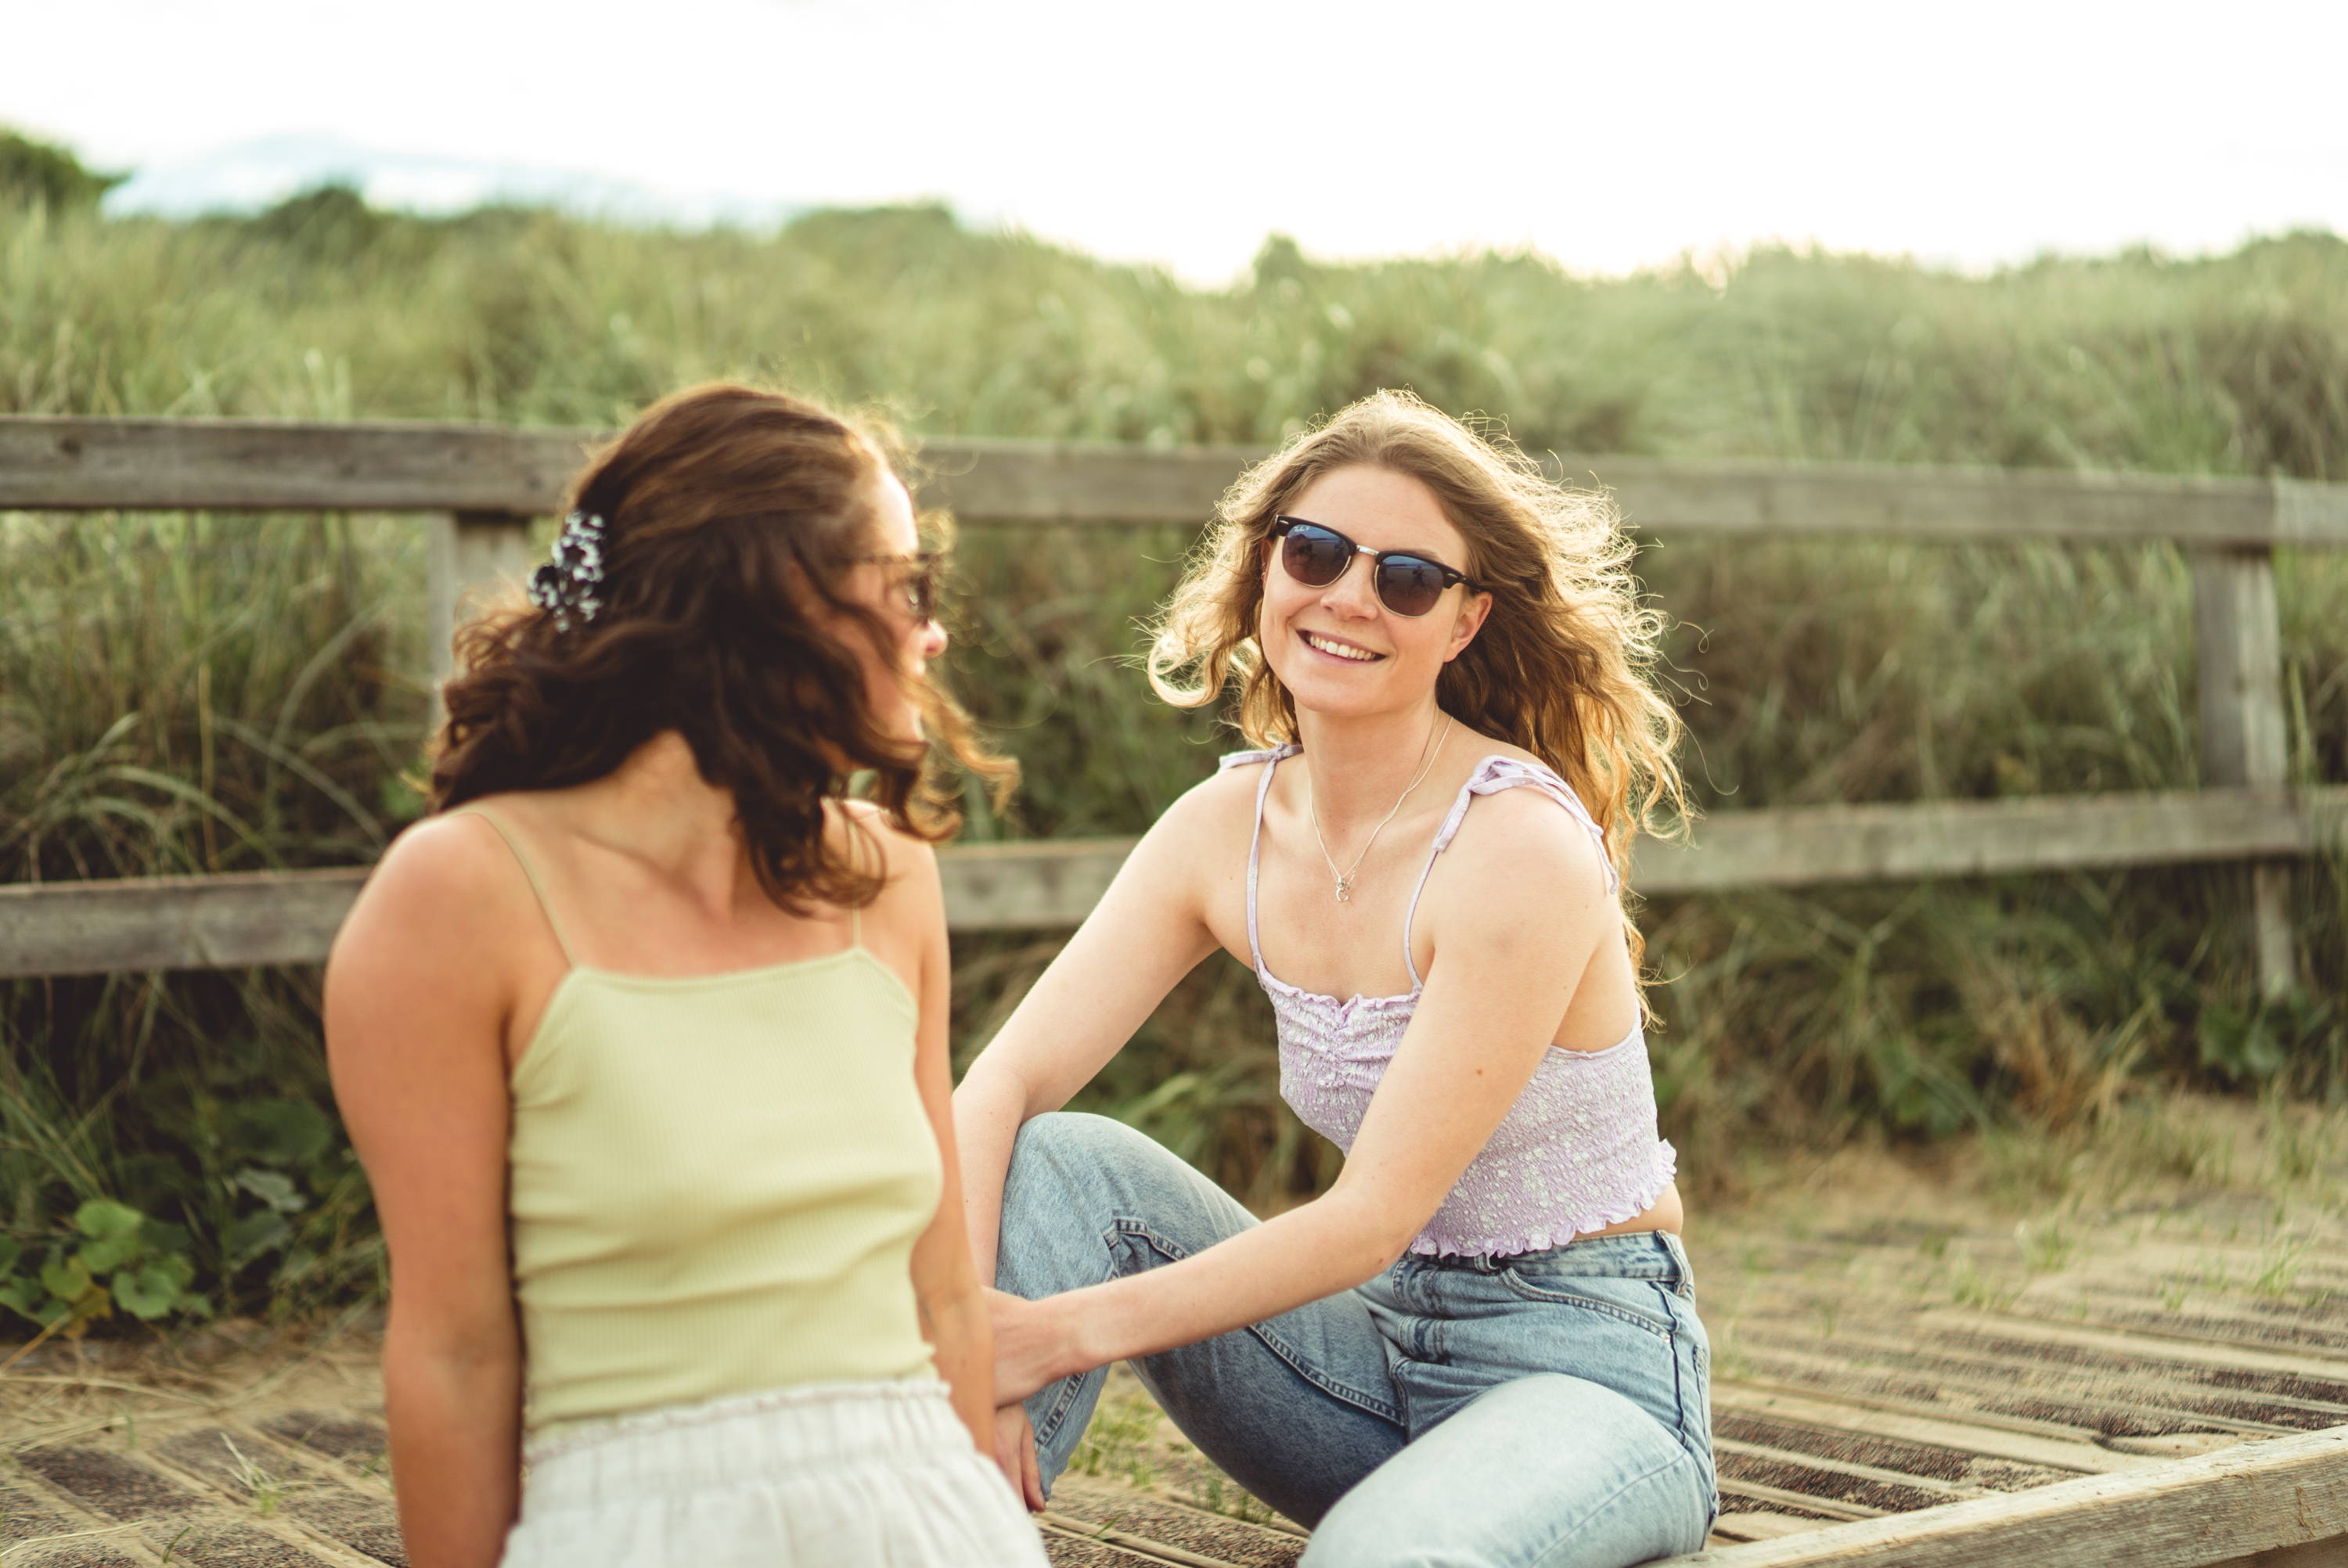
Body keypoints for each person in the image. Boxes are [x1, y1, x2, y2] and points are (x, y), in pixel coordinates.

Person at [953, 390, 1715, 1567]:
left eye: (1407, 578)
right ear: (1266, 573)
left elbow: (1370, 1219)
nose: (1350, 596)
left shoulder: (1514, 847)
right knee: (1060, 1165)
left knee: (1378, 1561)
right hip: (1368, 1365)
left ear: (1463, 623)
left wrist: (1052, 1337)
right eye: (1314, 553)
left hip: (1587, 1375)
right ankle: (953, 1529)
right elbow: (997, 1089)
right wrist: (971, 1344)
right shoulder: (1225, 827)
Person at [326, 385, 1047, 1568]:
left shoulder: (890, 882)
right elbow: (456, 1352)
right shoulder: (459, 899)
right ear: (776, 601)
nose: (934, 631)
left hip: (928, 1514)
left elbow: (947, 1303)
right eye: (907, 585)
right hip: (636, 1523)